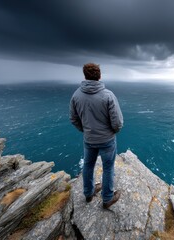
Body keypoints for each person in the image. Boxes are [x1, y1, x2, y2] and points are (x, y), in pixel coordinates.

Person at [69, 63, 123, 209]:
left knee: (88, 165)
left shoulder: (76, 95)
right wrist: (113, 131)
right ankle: (107, 199)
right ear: (99, 76)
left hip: (89, 139)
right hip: (107, 140)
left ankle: (88, 193)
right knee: (108, 167)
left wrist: (85, 130)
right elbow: (117, 122)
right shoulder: (108, 95)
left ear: (85, 76)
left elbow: (73, 118)